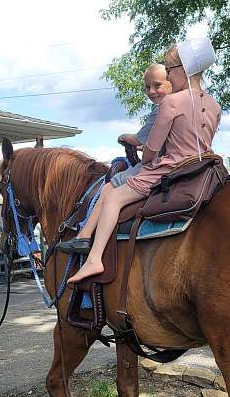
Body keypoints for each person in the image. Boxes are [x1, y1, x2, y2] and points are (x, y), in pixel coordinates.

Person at [63, 37, 221, 284]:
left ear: (185, 69)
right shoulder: (214, 104)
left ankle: (94, 258)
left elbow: (150, 153)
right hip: (203, 168)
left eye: (170, 70)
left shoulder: (171, 102)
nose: (168, 77)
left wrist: (144, 153)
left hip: (171, 168)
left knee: (113, 196)